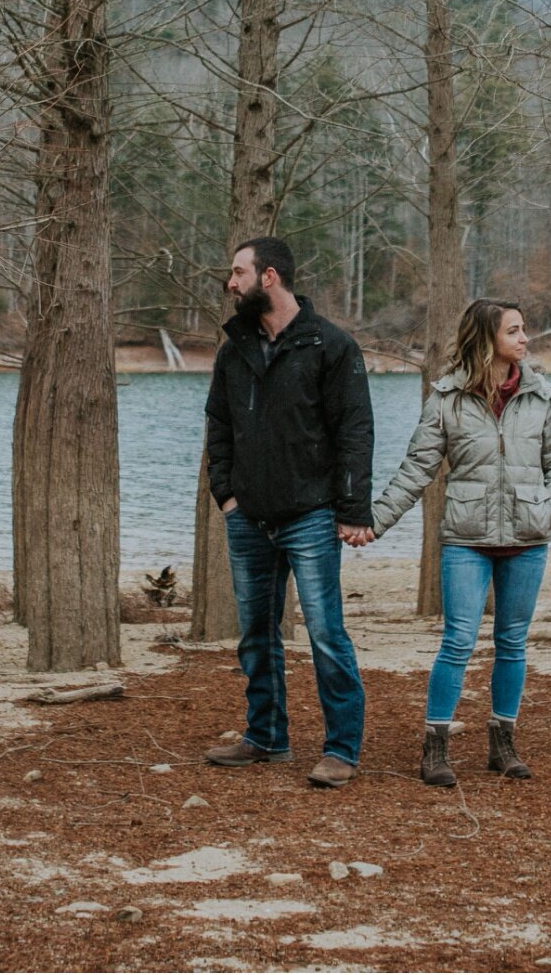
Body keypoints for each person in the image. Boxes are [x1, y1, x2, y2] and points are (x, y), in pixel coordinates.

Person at [364, 298, 551, 788]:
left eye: (525, 330)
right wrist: (375, 522)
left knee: (512, 643)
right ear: (487, 338)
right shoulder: (447, 400)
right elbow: (417, 469)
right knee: (458, 641)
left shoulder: (541, 395)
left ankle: (503, 743)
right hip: (467, 539)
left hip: (528, 536)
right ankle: (435, 747)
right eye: (515, 331)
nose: (525, 339)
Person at [201, 236, 375, 789]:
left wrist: (351, 509)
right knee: (255, 633)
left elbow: (355, 432)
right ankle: (266, 737)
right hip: (248, 516)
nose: (231, 283)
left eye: (238, 273)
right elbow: (219, 426)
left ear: (269, 277)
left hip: (311, 515)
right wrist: (226, 496)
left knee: (326, 634)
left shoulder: (331, 346)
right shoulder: (235, 349)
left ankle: (342, 749)